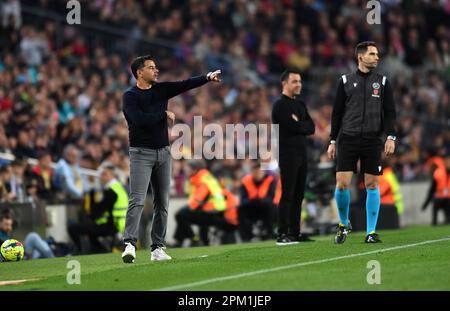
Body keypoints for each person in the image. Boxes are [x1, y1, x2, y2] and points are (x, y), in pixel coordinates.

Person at [120, 55, 221, 263]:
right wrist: (162, 115)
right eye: (151, 68)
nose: (156, 71)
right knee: (137, 199)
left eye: (156, 67)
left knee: (162, 203)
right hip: (141, 153)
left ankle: (157, 248)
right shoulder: (130, 96)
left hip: (164, 153)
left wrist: (207, 77)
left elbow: (185, 84)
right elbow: (138, 121)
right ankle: (129, 243)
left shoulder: (161, 89)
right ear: (139, 72)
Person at [327, 41, 397, 244]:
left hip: (372, 139)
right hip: (348, 138)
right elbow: (336, 113)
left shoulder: (382, 82)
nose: (377, 57)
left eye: (377, 54)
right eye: (373, 54)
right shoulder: (345, 81)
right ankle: (343, 224)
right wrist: (332, 140)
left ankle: (371, 232)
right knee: (341, 185)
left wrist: (391, 137)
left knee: (372, 184)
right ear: (361, 57)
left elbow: (390, 112)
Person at [271, 68, 315, 245]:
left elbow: (311, 127)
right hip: (287, 154)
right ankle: (282, 233)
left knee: (299, 195)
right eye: (295, 81)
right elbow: (294, 127)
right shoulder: (279, 106)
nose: (299, 85)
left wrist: (300, 124)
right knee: (287, 194)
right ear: (284, 83)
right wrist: (300, 125)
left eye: (300, 81)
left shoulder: (300, 105)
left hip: (302, 154)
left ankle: (295, 232)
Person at [68, 165, 128, 254]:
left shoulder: (111, 191)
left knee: (73, 228)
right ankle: (100, 250)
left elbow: (99, 210)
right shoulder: (118, 187)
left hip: (112, 226)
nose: (101, 177)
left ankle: (80, 252)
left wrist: (89, 216)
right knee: (89, 229)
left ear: (112, 176)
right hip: (119, 225)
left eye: (104, 174)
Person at [173, 160, 234, 247]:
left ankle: (194, 239)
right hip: (215, 211)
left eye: (188, 168)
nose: (185, 170)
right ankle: (184, 241)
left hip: (212, 212)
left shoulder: (202, 179)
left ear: (195, 169)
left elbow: (198, 199)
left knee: (180, 215)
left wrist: (188, 208)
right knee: (184, 216)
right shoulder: (205, 177)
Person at [238, 161, 276, 241]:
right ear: (252, 171)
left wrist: (261, 201)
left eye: (260, 170)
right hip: (251, 207)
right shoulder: (245, 181)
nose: (258, 172)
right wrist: (253, 201)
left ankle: (269, 233)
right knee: (241, 209)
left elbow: (272, 197)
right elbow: (243, 200)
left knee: (271, 207)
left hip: (265, 207)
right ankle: (246, 237)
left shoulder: (270, 180)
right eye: (255, 170)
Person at [422, 154, 450, 225]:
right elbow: (432, 190)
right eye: (446, 161)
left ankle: (447, 220)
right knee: (435, 204)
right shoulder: (438, 173)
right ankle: (434, 223)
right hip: (439, 198)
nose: (448, 163)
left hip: (448, 199)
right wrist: (426, 203)